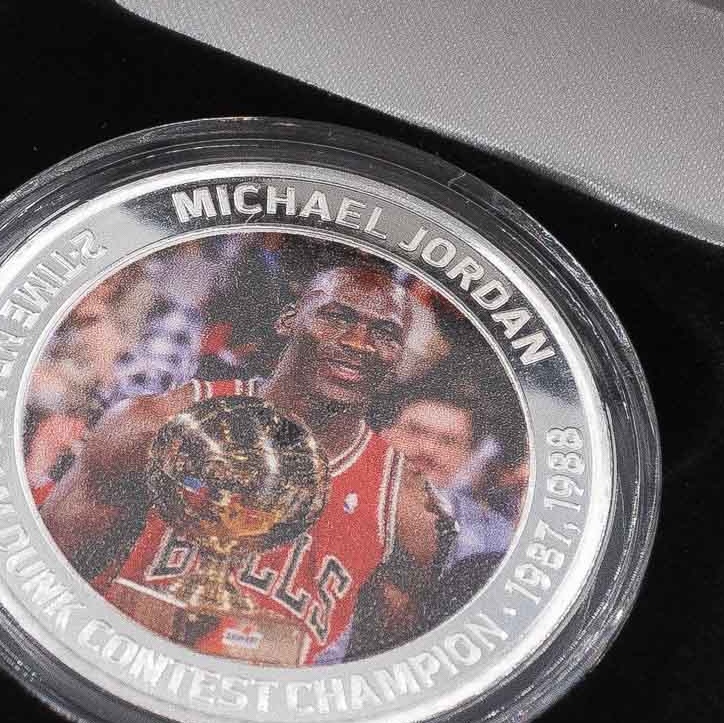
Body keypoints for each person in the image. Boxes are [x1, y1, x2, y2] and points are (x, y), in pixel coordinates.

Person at [41, 262, 454, 667]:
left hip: (256, 706)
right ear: (288, 320)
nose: (359, 342)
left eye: (384, 333)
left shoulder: (408, 510)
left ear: (399, 357)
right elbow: (47, 581)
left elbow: (374, 675)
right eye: (336, 317)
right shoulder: (154, 426)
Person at [386, 395, 517, 607]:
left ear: (467, 456)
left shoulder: (497, 536)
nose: (428, 449)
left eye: (448, 442)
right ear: (384, 432)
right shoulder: (337, 494)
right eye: (415, 431)